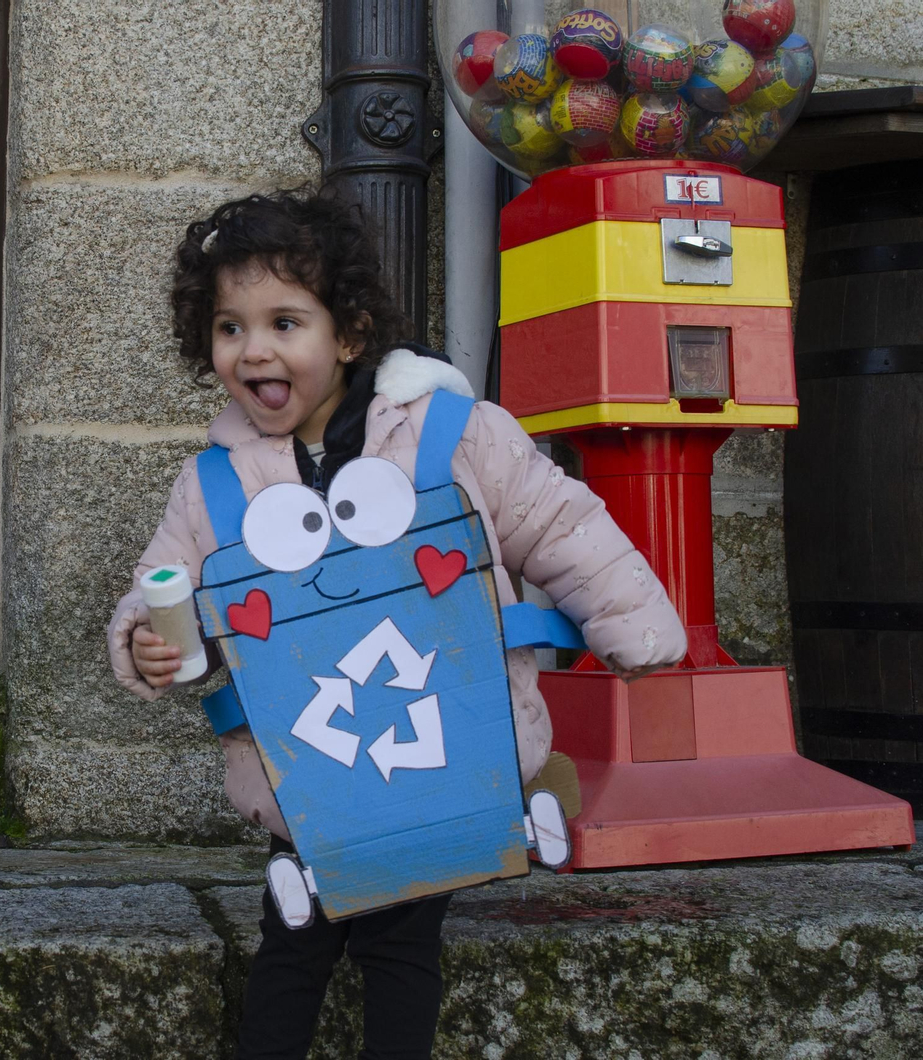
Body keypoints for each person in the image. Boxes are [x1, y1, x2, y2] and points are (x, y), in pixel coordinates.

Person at [106, 189, 684, 1059]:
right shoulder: (214, 486)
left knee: (400, 946)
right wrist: (151, 643)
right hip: (305, 782)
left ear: (350, 333)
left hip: (442, 757)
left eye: (285, 322)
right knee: (290, 948)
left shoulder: (455, 434)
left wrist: (631, 621)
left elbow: (558, 523)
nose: (254, 348)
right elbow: (167, 583)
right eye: (230, 328)